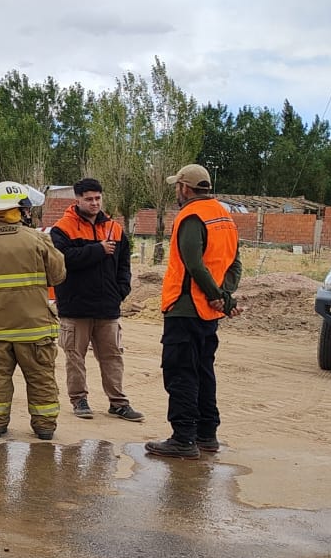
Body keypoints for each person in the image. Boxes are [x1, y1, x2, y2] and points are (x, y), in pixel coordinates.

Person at [145, 164, 243, 460]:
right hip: (209, 312)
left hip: (185, 308)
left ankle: (183, 438)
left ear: (185, 188)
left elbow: (194, 264)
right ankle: (206, 434)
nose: (176, 192)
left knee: (180, 373)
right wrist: (223, 297)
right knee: (203, 371)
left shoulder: (191, 216)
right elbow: (235, 263)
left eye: (177, 187)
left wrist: (217, 296)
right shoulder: (224, 216)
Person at [0, 181, 67, 440]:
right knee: (41, 378)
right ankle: (44, 427)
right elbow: (58, 275)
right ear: (21, 209)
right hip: (34, 329)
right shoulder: (38, 240)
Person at [49, 178, 144, 423]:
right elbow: (63, 260)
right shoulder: (62, 229)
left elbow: (123, 264)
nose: (94, 203)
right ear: (77, 200)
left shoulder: (115, 229)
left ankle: (118, 403)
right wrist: (98, 250)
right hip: (75, 306)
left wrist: (121, 290)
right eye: (89, 199)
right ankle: (79, 400)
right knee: (75, 357)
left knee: (113, 356)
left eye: (98, 198)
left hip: (107, 307)